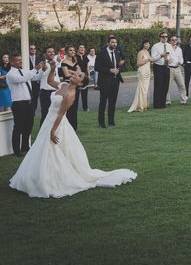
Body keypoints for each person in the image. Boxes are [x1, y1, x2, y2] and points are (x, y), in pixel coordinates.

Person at [9, 63, 136, 198]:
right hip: (48, 121)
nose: (75, 74)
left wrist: (53, 131)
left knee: (52, 150)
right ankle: (34, 176)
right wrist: (52, 69)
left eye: (78, 76)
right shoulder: (63, 85)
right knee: (40, 148)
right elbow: (50, 81)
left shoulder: (70, 94)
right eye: (75, 73)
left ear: (80, 84)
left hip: (56, 124)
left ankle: (51, 179)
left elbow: (61, 114)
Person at [6, 53, 44, 156]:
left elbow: (35, 77)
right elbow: (23, 79)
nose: (21, 61)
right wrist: (35, 69)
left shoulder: (24, 71)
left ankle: (25, 147)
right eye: (18, 60)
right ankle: (16, 150)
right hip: (18, 104)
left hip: (28, 103)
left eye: (21, 60)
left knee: (28, 126)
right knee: (18, 127)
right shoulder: (10, 74)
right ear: (12, 62)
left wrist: (41, 70)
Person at [95, 36, 125, 128]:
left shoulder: (116, 53)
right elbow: (97, 67)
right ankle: (101, 123)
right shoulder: (101, 53)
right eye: (112, 42)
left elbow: (117, 65)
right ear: (108, 43)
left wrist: (118, 68)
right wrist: (109, 70)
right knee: (103, 102)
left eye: (115, 42)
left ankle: (111, 122)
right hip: (104, 81)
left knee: (113, 102)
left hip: (115, 81)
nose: (114, 44)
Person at [59, 45, 80, 130]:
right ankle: (67, 127)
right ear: (67, 52)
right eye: (70, 50)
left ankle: (74, 127)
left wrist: (71, 71)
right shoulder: (64, 62)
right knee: (69, 107)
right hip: (68, 86)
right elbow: (66, 75)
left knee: (75, 107)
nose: (72, 52)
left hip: (76, 85)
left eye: (73, 50)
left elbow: (80, 72)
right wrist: (74, 73)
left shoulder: (75, 61)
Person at [128, 40, 151, 112]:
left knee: (146, 89)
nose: (147, 45)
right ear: (143, 45)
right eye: (146, 44)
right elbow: (138, 63)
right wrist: (147, 60)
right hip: (142, 71)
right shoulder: (141, 52)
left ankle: (145, 105)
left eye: (148, 44)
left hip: (148, 70)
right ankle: (139, 105)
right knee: (142, 88)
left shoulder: (147, 52)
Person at [150, 32, 171, 109]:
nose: (165, 38)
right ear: (160, 37)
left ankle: (163, 103)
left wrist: (169, 60)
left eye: (166, 36)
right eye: (163, 37)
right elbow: (153, 58)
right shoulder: (155, 46)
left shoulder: (169, 45)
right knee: (159, 86)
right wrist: (161, 55)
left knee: (166, 85)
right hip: (158, 67)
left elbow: (171, 55)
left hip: (167, 66)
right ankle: (157, 104)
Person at [166, 35, 187, 106]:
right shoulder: (167, 49)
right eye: (172, 40)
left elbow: (181, 58)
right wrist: (168, 60)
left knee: (182, 85)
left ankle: (183, 100)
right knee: (167, 86)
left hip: (178, 68)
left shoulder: (179, 49)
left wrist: (180, 62)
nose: (174, 41)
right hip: (170, 69)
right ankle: (167, 101)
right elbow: (166, 58)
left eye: (175, 40)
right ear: (170, 41)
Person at [37, 47, 58, 123]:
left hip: (56, 91)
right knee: (46, 114)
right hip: (46, 92)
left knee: (56, 114)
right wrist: (42, 70)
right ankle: (43, 133)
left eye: (53, 51)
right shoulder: (42, 64)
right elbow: (37, 77)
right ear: (44, 54)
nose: (52, 53)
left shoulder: (56, 63)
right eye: (49, 52)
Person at [28, 44, 42, 112]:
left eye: (34, 48)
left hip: (37, 82)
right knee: (29, 98)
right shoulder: (25, 59)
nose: (33, 50)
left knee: (35, 98)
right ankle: (29, 112)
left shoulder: (39, 59)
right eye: (31, 49)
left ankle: (33, 112)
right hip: (29, 81)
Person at [76, 45, 90, 111]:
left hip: (85, 76)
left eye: (83, 47)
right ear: (78, 49)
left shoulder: (85, 57)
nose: (82, 49)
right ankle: (74, 107)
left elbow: (87, 67)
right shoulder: (75, 57)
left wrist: (89, 75)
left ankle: (85, 107)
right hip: (78, 76)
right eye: (81, 47)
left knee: (85, 92)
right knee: (77, 92)